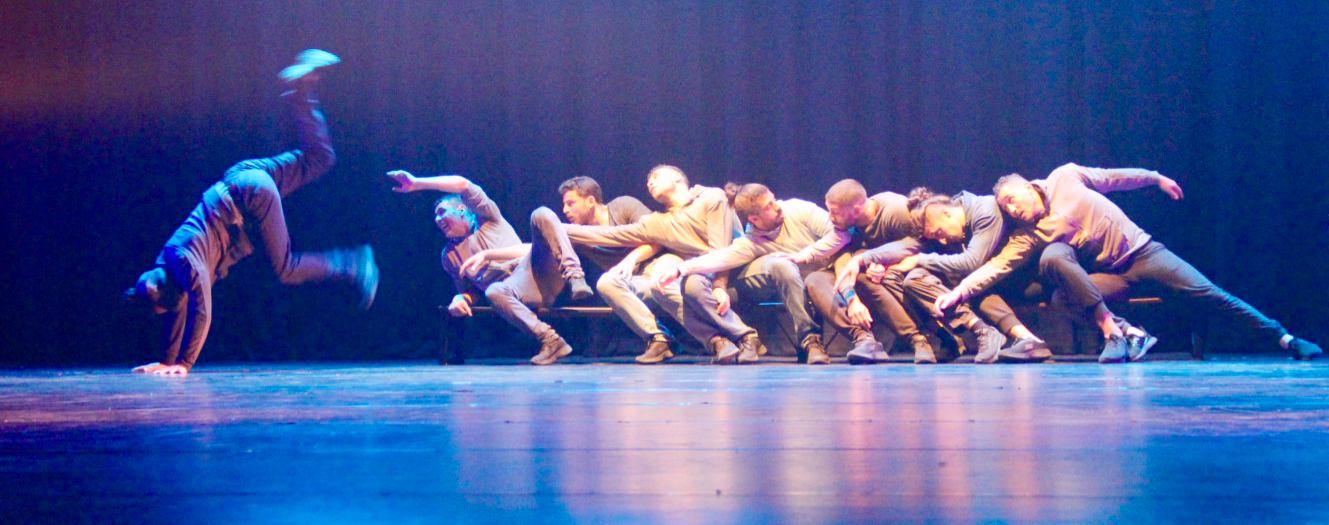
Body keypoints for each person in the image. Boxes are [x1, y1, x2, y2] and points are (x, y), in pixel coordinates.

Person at [126, 50, 379, 375]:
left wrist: (184, 363)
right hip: (243, 178)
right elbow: (181, 306)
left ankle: (353, 264)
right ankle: (301, 91)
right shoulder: (169, 263)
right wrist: (166, 360)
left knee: (286, 269)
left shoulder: (186, 263)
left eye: (164, 309)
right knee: (320, 158)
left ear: (164, 295)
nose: (170, 312)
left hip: (247, 197)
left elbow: (201, 309)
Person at [934, 163, 1323, 362]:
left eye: (1011, 201)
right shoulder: (1030, 234)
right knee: (1059, 293)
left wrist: (1154, 178)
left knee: (1209, 293)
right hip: (1113, 276)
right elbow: (997, 266)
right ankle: (1124, 333)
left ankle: (1284, 338)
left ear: (1026, 187)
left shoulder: (1065, 178)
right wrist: (958, 293)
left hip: (1145, 255)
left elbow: (1114, 178)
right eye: (1005, 209)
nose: (1012, 210)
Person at [387, 171, 592, 365]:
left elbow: (527, 249)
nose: (437, 219)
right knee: (494, 290)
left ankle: (575, 276)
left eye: (442, 212)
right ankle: (551, 340)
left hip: (540, 272)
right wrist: (460, 299)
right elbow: (472, 292)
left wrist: (417, 183)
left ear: (462, 210)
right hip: (517, 292)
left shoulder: (488, 219)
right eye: (435, 216)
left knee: (541, 214)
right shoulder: (449, 255)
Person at [564, 165, 760, 364]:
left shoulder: (711, 196)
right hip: (693, 276)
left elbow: (721, 249)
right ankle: (715, 341)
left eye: (656, 177)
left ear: (677, 178)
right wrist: (559, 228)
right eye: (648, 181)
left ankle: (746, 337)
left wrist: (719, 285)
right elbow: (614, 234)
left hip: (730, 271)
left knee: (690, 282)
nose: (650, 182)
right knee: (655, 282)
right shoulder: (659, 221)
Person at [653, 183, 849, 364]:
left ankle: (809, 338)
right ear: (755, 219)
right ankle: (803, 341)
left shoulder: (798, 209)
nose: (777, 206)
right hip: (788, 282)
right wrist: (680, 269)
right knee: (692, 286)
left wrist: (804, 255)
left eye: (773, 200)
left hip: (827, 275)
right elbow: (721, 257)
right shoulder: (752, 241)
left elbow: (842, 234)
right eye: (768, 206)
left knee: (786, 264)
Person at [891, 187, 1051, 362]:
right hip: (987, 280)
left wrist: (920, 259)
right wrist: (871, 260)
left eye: (938, 233)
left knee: (972, 283)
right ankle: (979, 332)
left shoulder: (985, 210)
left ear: (946, 214)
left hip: (1023, 280)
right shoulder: (956, 228)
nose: (942, 241)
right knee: (915, 278)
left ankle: (1027, 340)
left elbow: (972, 262)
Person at [803, 179, 931, 364]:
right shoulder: (846, 227)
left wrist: (885, 264)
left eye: (835, 212)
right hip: (862, 278)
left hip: (900, 276)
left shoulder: (896, 212)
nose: (830, 217)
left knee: (868, 277)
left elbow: (923, 247)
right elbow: (843, 262)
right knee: (816, 279)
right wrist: (851, 298)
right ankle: (864, 339)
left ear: (856, 210)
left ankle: (918, 339)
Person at [557, 176, 676, 364]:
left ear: (591, 201)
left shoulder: (623, 207)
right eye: (564, 205)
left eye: (570, 203)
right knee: (605, 283)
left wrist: (631, 260)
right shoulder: (580, 235)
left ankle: (717, 338)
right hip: (634, 284)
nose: (565, 210)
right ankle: (659, 338)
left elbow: (657, 237)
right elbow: (538, 250)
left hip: (662, 269)